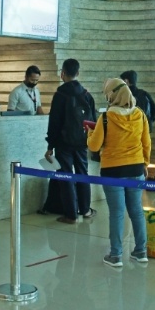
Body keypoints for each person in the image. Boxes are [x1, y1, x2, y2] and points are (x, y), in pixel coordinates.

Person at [87, 77, 151, 267]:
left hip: (112, 170)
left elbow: (94, 145)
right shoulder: (139, 114)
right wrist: (145, 164)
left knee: (116, 213)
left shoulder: (106, 117)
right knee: (137, 211)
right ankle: (140, 251)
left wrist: (89, 134)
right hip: (136, 168)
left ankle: (115, 255)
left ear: (112, 94)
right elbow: (146, 142)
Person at [45, 58, 97, 224]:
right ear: (78, 73)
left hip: (63, 143)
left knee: (66, 176)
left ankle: (71, 215)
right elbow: (93, 121)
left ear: (63, 73)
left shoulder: (60, 94)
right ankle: (86, 210)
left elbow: (54, 122)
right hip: (82, 142)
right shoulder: (87, 94)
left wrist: (50, 145)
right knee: (83, 174)